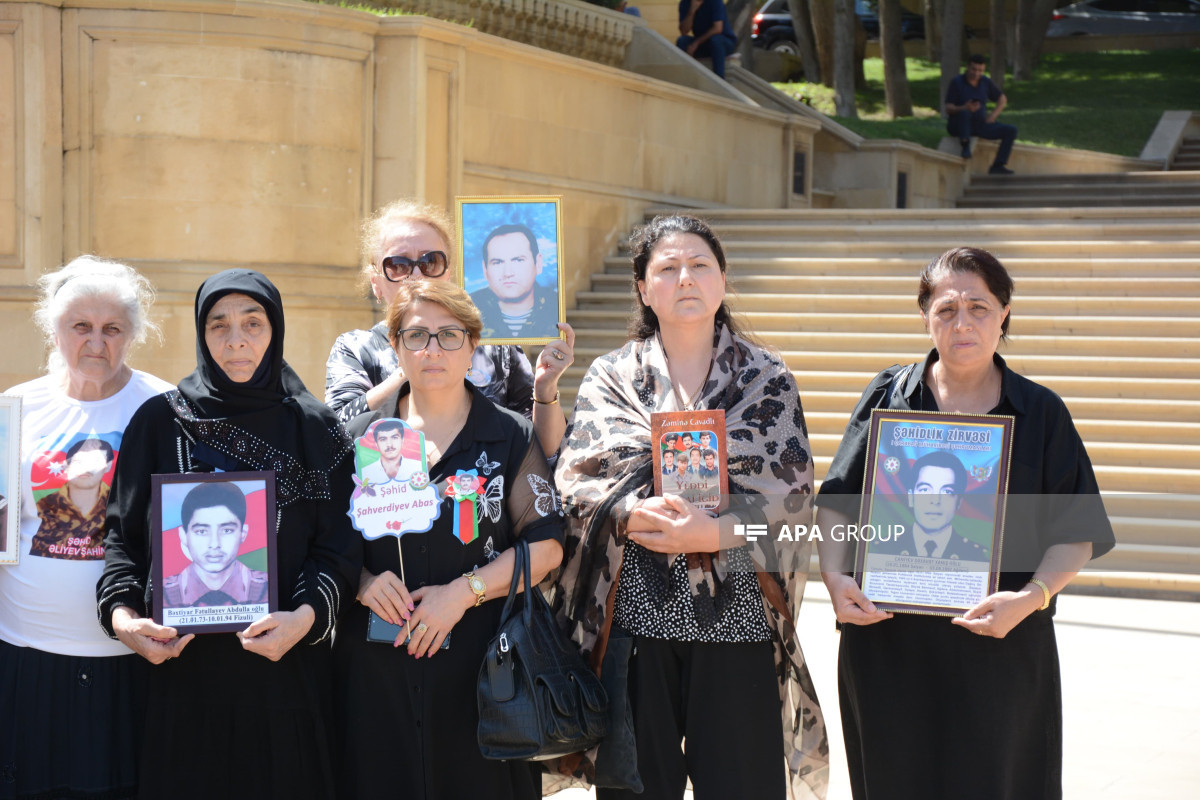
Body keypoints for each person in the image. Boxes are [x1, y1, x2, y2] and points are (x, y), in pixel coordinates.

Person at [816, 246, 1115, 800]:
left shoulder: (1042, 412)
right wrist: (835, 579)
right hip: (888, 646)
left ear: (1005, 314)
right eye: (946, 308)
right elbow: (838, 501)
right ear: (926, 317)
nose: (962, 322)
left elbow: (1076, 528)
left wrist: (1031, 597)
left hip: (1001, 648)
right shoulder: (888, 396)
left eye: (978, 307)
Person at [548, 214, 827, 799]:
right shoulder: (611, 376)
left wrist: (715, 533)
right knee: (636, 786)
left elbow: (795, 498)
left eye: (700, 265)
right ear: (645, 290)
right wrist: (624, 514)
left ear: (723, 281)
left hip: (735, 615)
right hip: (634, 619)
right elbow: (574, 482)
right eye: (667, 268)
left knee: (742, 784)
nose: (685, 279)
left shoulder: (764, 378)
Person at [97, 269, 362, 799]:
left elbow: (338, 547)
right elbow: (123, 537)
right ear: (201, 333)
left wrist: (304, 620)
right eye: (218, 325)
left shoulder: (316, 428)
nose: (236, 339)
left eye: (252, 323)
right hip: (180, 678)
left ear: (275, 330)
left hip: (287, 678)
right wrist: (123, 619)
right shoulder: (161, 421)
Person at [333, 279, 565, 799]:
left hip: (483, 676)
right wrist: (363, 581)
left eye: (448, 336)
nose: (432, 350)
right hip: (375, 674)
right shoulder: (360, 438)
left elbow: (546, 546)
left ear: (473, 347)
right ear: (395, 348)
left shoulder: (508, 435)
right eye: (416, 336)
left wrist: (461, 595)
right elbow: (326, 543)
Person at [0, 255, 171, 800]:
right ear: (53, 329)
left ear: (132, 336)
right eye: (81, 326)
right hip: (26, 656)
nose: (96, 341)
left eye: (112, 328)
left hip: (133, 661)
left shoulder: (166, 409)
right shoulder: (15, 410)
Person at [325, 199, 572, 457]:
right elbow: (332, 433)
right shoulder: (356, 348)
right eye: (398, 265)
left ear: (448, 274)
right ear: (376, 283)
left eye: (430, 261)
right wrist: (409, 367)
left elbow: (545, 451)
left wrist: (545, 391)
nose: (416, 276)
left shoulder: (496, 346)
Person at [163, 481, 269, 609]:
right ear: (183, 536)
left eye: (226, 530)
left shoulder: (268, 589)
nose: (214, 544)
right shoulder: (163, 595)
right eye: (201, 531)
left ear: (243, 533)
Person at [871, 450, 989, 561]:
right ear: (911, 497)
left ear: (958, 501)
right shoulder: (881, 550)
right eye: (925, 490)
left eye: (947, 491)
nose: (935, 500)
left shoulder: (977, 556)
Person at [470, 223, 560, 341]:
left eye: (518, 260)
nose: (508, 273)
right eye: (497, 262)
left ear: (538, 263)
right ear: (485, 269)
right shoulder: (468, 308)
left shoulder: (557, 306)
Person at [30, 436, 115, 558]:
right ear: (66, 465)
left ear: (108, 465)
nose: (86, 468)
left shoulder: (117, 503)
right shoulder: (44, 504)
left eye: (96, 461)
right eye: (78, 462)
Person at [945, 53, 1017, 175]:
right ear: (967, 67)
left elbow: (1002, 99)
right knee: (965, 114)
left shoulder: (985, 82)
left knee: (1011, 130)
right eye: (974, 69)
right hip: (959, 124)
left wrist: (992, 116)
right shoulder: (957, 82)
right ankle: (965, 146)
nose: (976, 73)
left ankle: (998, 165)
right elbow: (948, 107)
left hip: (979, 124)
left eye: (980, 70)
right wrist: (964, 107)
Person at [676, 0, 738, 79]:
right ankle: (685, 78)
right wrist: (691, 12)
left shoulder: (715, 2)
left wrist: (696, 42)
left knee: (716, 40)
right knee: (682, 41)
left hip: (724, 42)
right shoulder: (685, 3)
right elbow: (684, 31)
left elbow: (718, 28)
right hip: (704, 44)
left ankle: (719, 80)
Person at [359, 418, 416, 485]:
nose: (389, 444)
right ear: (376, 444)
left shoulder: (416, 467)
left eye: (394, 437)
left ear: (402, 440)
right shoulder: (365, 473)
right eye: (383, 439)